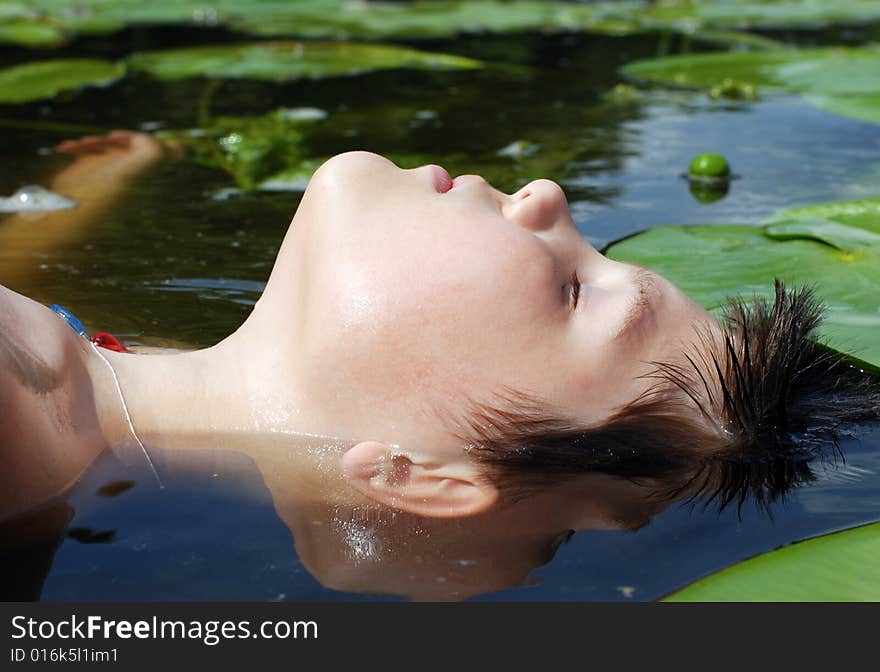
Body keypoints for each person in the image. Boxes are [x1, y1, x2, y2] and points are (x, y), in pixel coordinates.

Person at [1, 133, 878, 599]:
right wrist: (115, 176)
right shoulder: (98, 372)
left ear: (419, 474)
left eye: (574, 290)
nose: (547, 197)